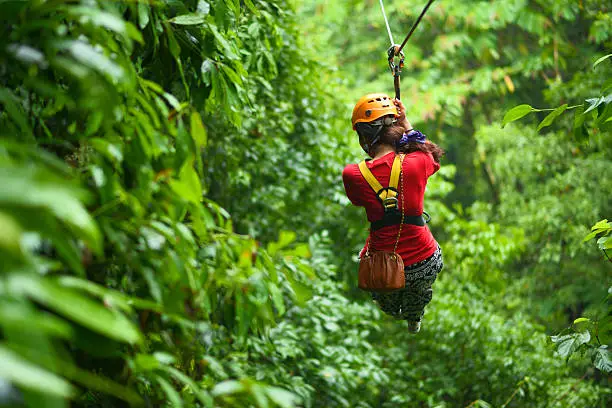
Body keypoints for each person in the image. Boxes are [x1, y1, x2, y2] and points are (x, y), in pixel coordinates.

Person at [342, 93, 444, 333]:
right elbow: (431, 154)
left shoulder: (353, 175)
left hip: (381, 267)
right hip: (425, 261)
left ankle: (403, 309)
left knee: (385, 299)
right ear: (395, 130)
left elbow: (358, 201)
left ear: (364, 138)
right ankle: (416, 307)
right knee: (419, 284)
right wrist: (406, 124)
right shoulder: (417, 162)